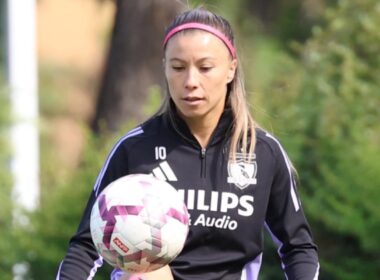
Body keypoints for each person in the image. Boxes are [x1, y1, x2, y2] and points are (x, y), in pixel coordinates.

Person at [56, 7, 319, 280]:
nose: (191, 81)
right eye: (178, 67)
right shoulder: (135, 149)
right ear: (165, 69)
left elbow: (298, 248)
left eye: (205, 68)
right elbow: (87, 247)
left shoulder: (263, 152)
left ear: (230, 70)